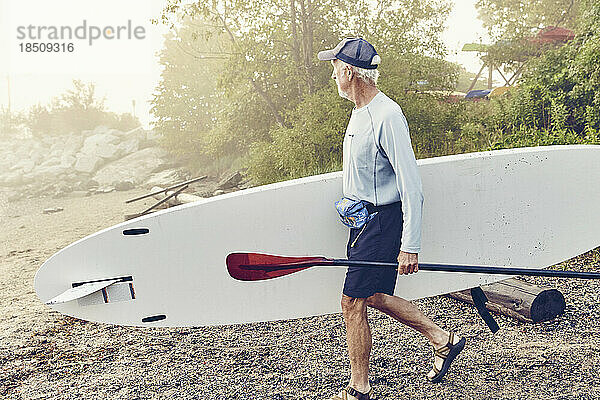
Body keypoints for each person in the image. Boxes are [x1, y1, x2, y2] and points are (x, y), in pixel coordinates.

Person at [317, 38, 466, 400]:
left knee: (351, 301)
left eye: (335, 67)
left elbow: (411, 186)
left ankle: (359, 389)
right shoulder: (358, 112)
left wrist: (410, 246)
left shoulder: (387, 116)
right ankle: (443, 339)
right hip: (363, 222)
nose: (333, 74)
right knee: (376, 295)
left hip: (382, 222)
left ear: (349, 72)